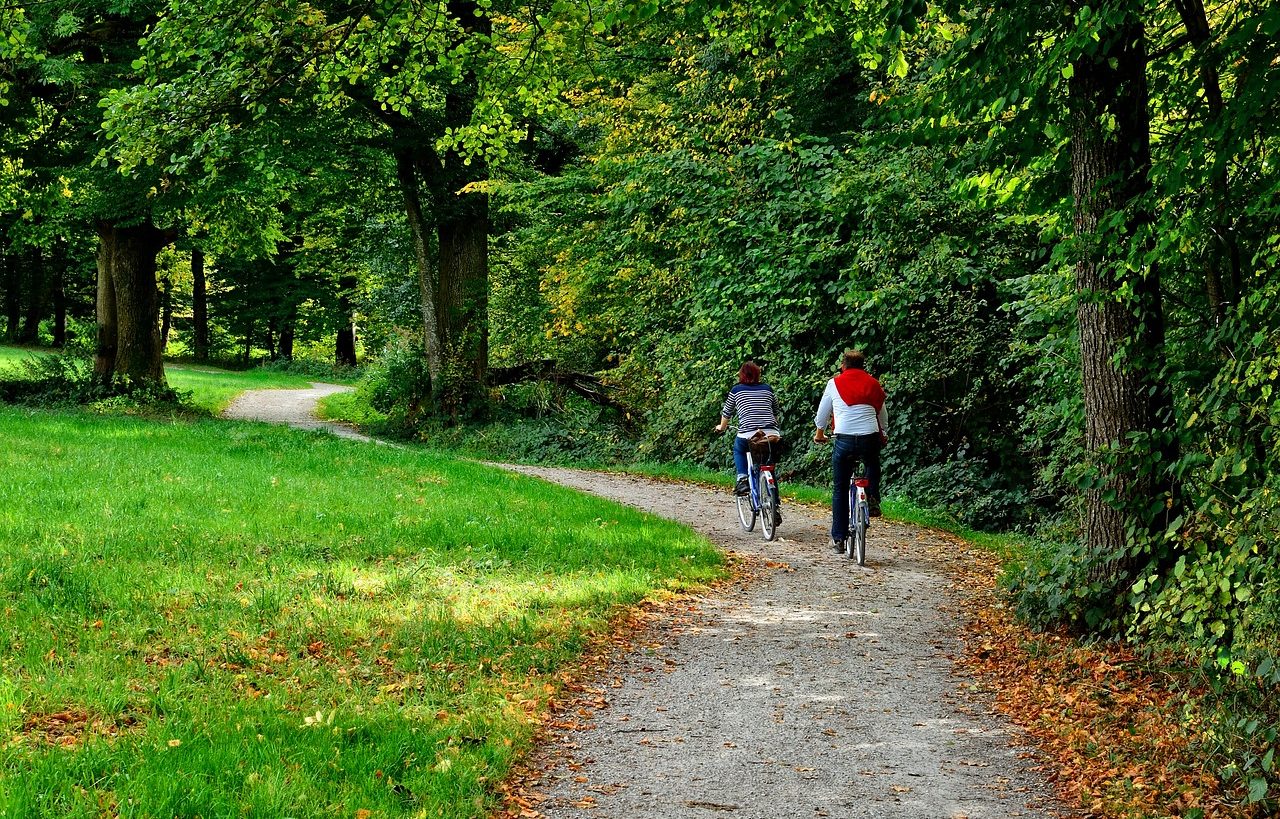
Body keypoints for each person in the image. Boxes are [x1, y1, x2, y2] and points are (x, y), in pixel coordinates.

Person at [814, 349, 887, 552]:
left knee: (840, 488)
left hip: (844, 439)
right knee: (872, 462)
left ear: (843, 366)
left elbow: (822, 415)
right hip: (869, 437)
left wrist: (819, 434)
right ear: (863, 366)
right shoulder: (873, 383)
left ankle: (838, 539)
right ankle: (872, 497)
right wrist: (885, 432)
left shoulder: (834, 383)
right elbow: (882, 412)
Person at [713, 360, 782, 500]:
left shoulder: (736, 390)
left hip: (747, 434)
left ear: (741, 375)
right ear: (758, 374)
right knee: (768, 464)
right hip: (771, 434)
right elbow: (776, 412)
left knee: (738, 449)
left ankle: (743, 479)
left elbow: (727, 412)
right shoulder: (767, 389)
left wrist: (721, 427)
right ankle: (775, 504)